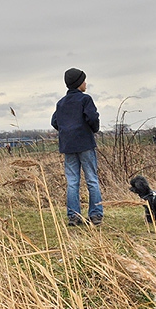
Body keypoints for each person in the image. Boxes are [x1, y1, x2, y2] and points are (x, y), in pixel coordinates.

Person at [51, 68, 103, 226]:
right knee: (92, 180)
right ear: (79, 83)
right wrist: (93, 129)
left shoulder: (61, 103)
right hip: (85, 143)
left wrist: (67, 132)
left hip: (68, 146)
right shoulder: (85, 100)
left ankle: (74, 216)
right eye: (84, 80)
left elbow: (55, 122)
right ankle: (95, 215)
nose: (86, 83)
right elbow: (92, 117)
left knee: (72, 182)